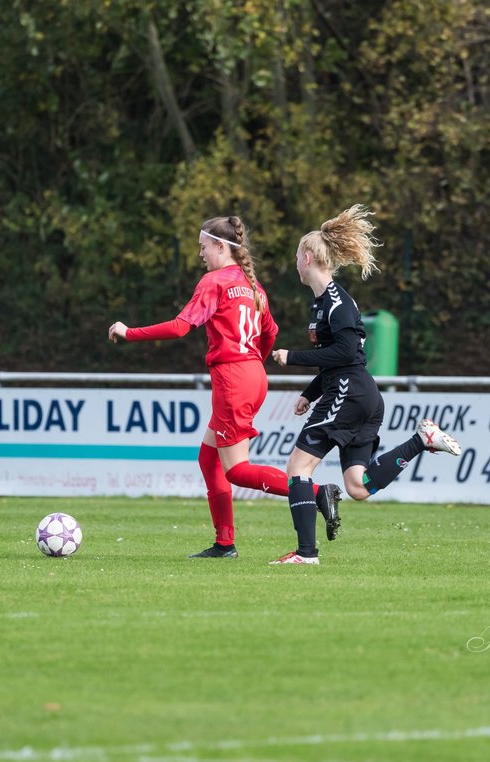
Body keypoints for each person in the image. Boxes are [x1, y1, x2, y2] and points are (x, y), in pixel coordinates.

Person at [108, 215, 341, 559]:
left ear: (220, 246)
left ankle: (317, 491)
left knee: (237, 470)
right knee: (209, 458)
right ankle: (224, 543)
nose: (201, 254)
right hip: (251, 374)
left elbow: (179, 327)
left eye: (204, 247)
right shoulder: (253, 286)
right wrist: (252, 362)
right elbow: (271, 332)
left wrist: (129, 332)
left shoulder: (215, 281)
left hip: (233, 378)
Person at [269, 204, 461, 565]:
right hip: (360, 394)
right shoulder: (324, 303)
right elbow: (339, 355)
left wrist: (292, 357)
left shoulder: (336, 304)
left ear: (307, 258)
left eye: (297, 256)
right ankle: (422, 440)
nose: (295, 263)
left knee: (297, 468)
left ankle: (306, 554)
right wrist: (310, 394)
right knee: (359, 486)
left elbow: (343, 352)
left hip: (349, 393)